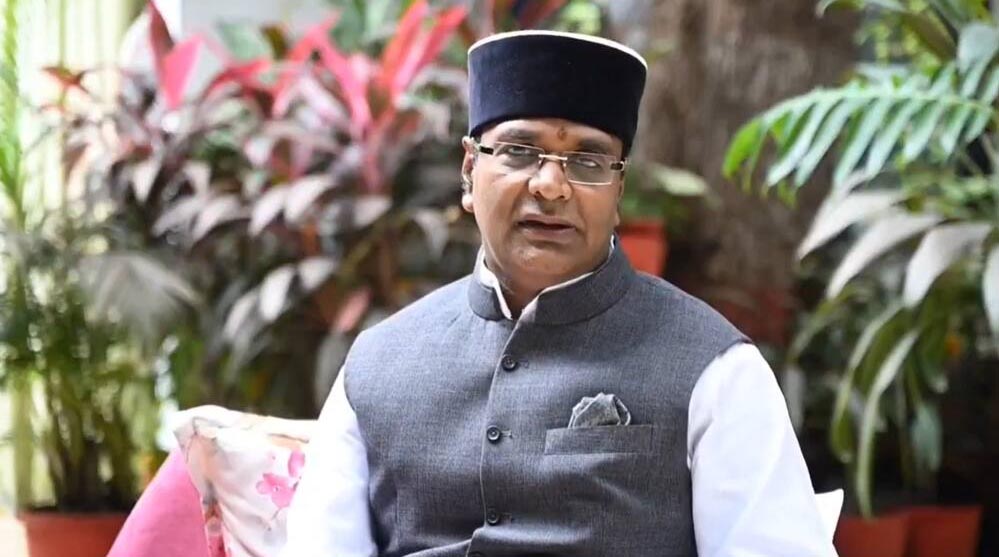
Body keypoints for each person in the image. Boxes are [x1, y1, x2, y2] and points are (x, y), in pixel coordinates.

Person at [284, 30, 836, 557]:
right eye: (520, 150)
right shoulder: (377, 365)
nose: (550, 186)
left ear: (618, 191)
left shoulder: (714, 368)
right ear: (469, 170)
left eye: (589, 162)